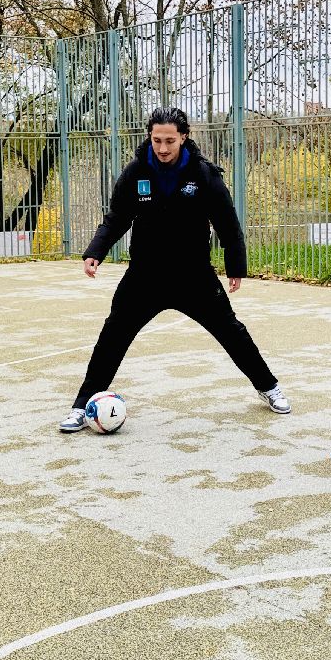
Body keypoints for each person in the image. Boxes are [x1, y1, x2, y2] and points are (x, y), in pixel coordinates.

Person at [59, 106, 289, 433]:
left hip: (193, 276)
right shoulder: (135, 172)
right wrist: (96, 251)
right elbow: (117, 217)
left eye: (170, 140)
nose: (163, 148)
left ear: (183, 137)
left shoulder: (204, 174)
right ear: (149, 137)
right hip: (145, 276)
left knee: (231, 332)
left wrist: (235, 265)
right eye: (157, 140)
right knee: (112, 337)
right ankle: (82, 406)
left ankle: (269, 387)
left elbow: (227, 223)